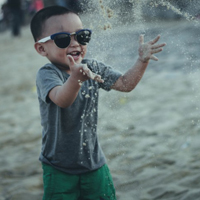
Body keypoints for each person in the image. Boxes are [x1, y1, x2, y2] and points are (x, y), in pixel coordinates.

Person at [30, 6, 166, 200]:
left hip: (94, 163)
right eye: (63, 39)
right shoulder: (48, 74)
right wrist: (76, 78)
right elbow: (62, 100)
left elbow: (125, 84)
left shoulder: (92, 67)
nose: (75, 43)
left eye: (82, 36)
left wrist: (141, 61)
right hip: (58, 167)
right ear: (42, 48)